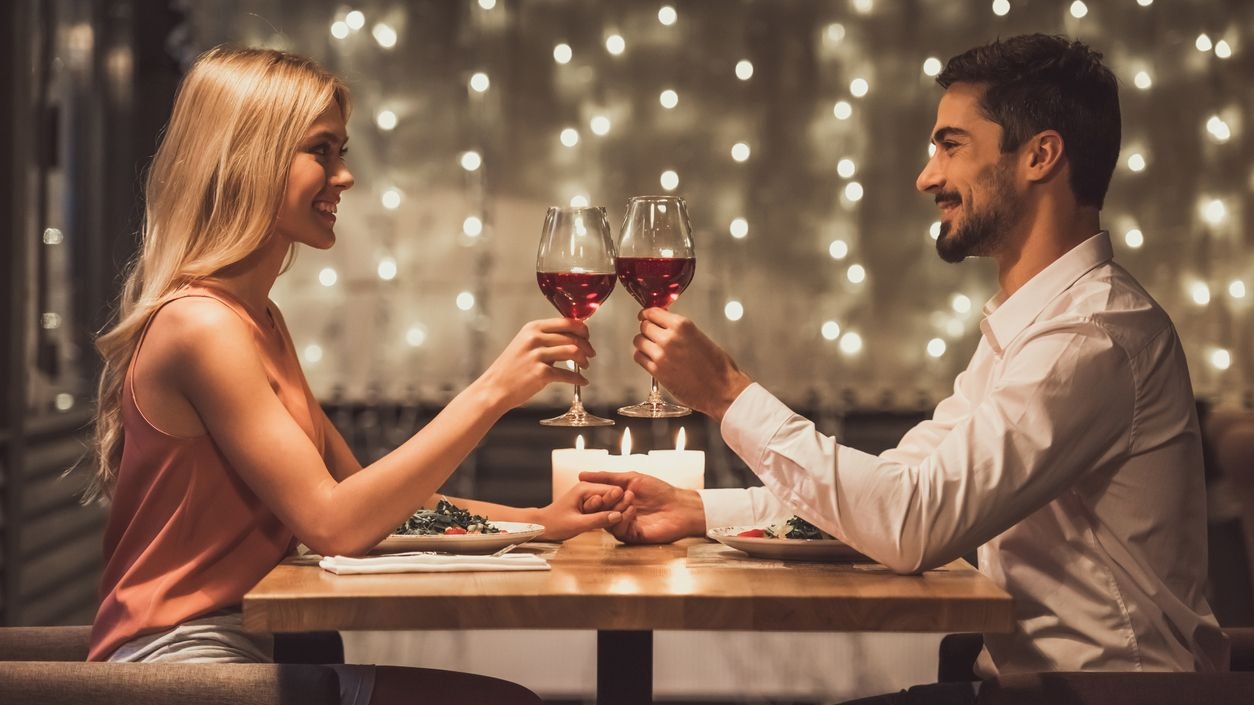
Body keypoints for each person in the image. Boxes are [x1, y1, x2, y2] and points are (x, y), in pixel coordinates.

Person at [582, 33, 1228, 702]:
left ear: (1040, 156)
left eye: (951, 146)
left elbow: (912, 523)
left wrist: (727, 394)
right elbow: (898, 489)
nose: (928, 177)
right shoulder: (1036, 323)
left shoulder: (1090, 338)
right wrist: (700, 509)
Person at [85, 46, 630, 704]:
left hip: (252, 647)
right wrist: (492, 394)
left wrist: (538, 520)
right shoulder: (200, 326)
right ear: (251, 158)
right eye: (322, 151)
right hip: (181, 665)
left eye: (340, 152)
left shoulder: (259, 320)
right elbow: (334, 524)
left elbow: (370, 502)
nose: (344, 177)